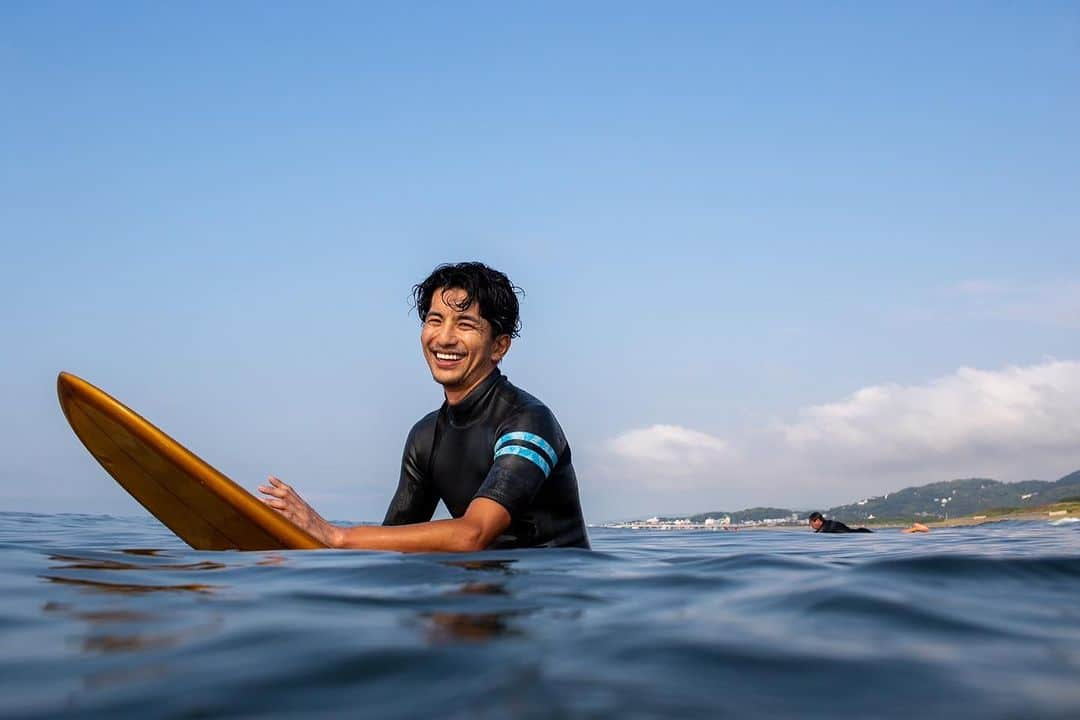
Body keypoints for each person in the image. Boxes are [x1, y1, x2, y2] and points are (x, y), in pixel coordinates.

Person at [258, 262, 590, 551]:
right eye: (435, 320)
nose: (444, 338)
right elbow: (392, 544)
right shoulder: (426, 437)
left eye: (465, 324)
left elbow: (472, 535)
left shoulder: (529, 421)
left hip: (552, 604)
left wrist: (334, 535)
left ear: (499, 346)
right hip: (486, 596)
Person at [807, 511, 873, 534]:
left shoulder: (826, 527)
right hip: (859, 531)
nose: (811, 525)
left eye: (811, 523)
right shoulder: (827, 524)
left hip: (860, 532)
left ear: (818, 521)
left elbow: (822, 531)